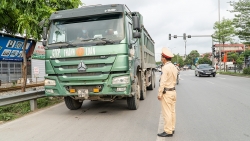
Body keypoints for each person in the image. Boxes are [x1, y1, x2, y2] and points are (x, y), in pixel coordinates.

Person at [157, 47, 178, 137]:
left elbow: (163, 82)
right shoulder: (174, 67)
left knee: (167, 112)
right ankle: (172, 128)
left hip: (167, 93)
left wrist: (159, 93)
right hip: (173, 91)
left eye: (161, 57)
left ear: (164, 58)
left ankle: (168, 131)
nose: (161, 59)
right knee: (172, 111)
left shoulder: (165, 68)